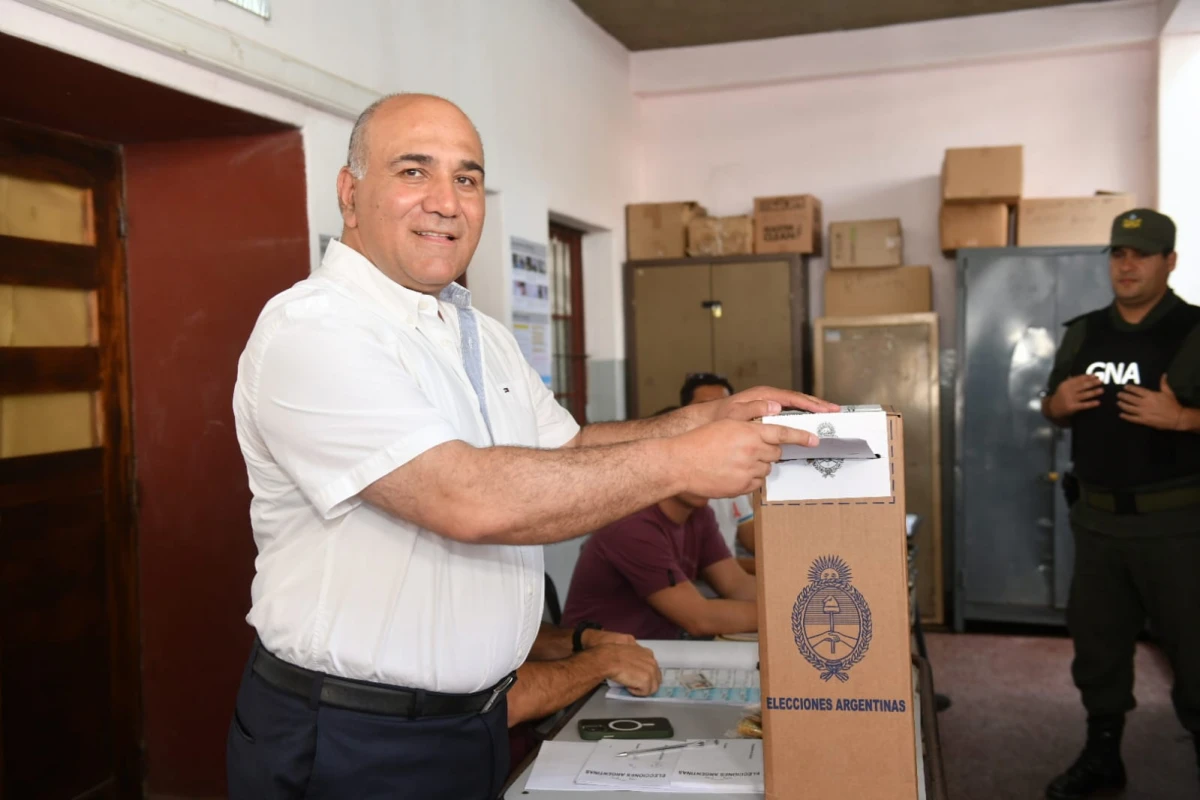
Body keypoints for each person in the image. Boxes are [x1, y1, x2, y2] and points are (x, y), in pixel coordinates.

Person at [226, 92, 833, 800]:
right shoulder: (314, 329)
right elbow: (465, 497)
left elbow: (570, 450)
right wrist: (682, 462)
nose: (447, 202)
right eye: (414, 171)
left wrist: (701, 421)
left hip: (475, 723)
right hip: (354, 737)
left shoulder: (478, 334)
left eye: (468, 178)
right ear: (350, 193)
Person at [1040, 208, 1200, 799]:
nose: (1127, 264)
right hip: (1098, 523)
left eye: (1141, 253)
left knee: (1195, 654)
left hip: (1177, 527)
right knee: (1099, 649)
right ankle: (1103, 756)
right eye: (1118, 253)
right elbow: (1049, 407)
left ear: (1170, 261)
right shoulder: (1084, 333)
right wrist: (1056, 405)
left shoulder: (1192, 330)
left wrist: (1182, 417)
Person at [561, 488, 758, 640]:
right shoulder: (632, 523)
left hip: (655, 650)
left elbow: (736, 584)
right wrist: (782, 616)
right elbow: (698, 618)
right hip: (598, 666)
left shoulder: (699, 514)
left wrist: (785, 600)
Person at [506, 625, 660, 768]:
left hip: (524, 750)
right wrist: (603, 661)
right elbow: (506, 699)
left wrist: (583, 640)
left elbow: (510, 634)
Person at [681, 373, 758, 573]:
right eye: (705, 407)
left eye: (724, 407)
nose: (716, 416)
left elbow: (751, 537)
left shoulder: (737, 468)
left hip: (729, 579)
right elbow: (703, 565)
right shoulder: (680, 475)